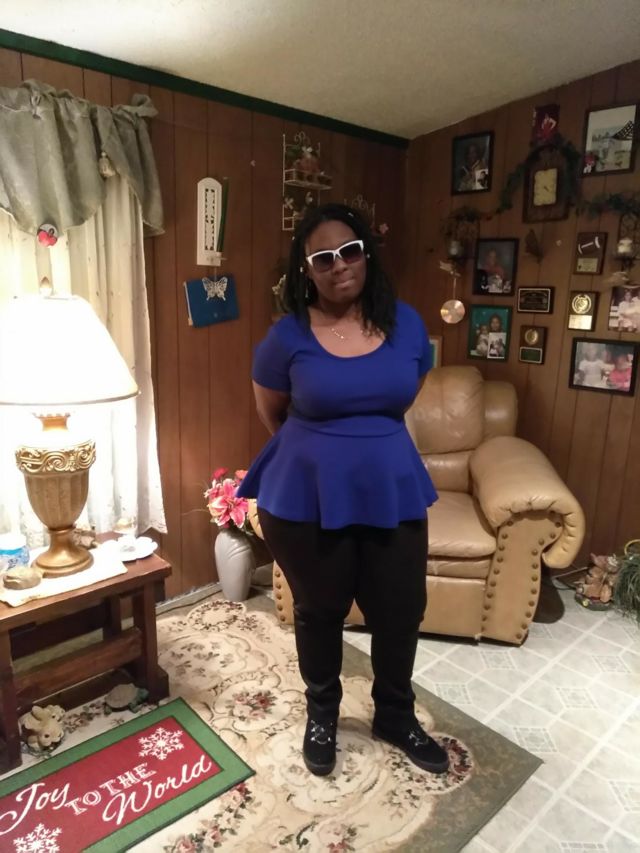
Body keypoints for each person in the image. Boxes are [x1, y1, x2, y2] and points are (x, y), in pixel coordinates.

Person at [237, 203, 449, 778]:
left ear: (367, 254)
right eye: (323, 258)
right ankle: (322, 716)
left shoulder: (406, 324)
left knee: (400, 609)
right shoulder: (286, 336)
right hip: (306, 495)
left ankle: (395, 716)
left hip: (391, 488)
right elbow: (272, 414)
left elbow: (403, 394)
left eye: (350, 251)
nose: (339, 265)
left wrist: (363, 440)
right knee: (320, 610)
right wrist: (325, 451)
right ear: (306, 269)